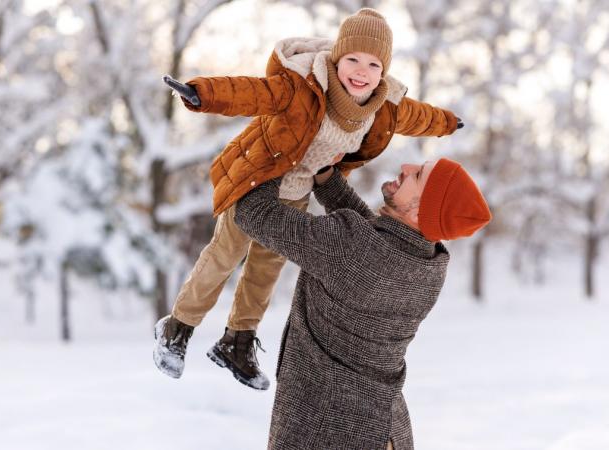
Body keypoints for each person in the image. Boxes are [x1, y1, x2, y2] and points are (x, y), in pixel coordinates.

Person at [154, 8, 463, 390]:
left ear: (383, 71)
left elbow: (417, 117)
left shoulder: (383, 108)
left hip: (296, 194)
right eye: (352, 59)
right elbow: (252, 92)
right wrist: (202, 93)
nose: (360, 71)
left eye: (372, 63)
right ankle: (177, 327)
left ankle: (237, 341)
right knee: (223, 256)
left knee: (264, 272)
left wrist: (447, 122)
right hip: (258, 179)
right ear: (336, 58)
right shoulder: (303, 86)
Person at [233, 158, 491, 449]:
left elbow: (253, 213)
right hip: (384, 428)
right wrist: (327, 179)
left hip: (327, 430)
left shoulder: (351, 248)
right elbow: (368, 242)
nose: (405, 166)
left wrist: (273, 158)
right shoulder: (431, 265)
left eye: (417, 176)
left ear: (420, 212)